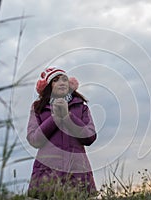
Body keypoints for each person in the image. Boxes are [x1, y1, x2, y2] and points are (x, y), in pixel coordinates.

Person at [27, 67, 97, 198]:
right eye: (56, 80)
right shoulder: (38, 108)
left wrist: (67, 116)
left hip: (78, 173)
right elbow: (34, 140)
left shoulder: (81, 107)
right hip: (47, 174)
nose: (62, 82)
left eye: (65, 79)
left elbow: (90, 137)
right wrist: (55, 118)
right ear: (48, 86)